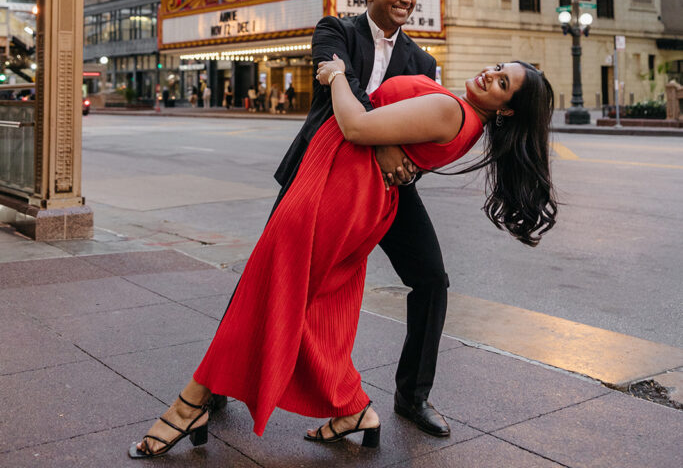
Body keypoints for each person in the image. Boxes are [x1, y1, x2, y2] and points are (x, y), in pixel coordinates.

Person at [129, 57, 556, 458]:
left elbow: (355, 126)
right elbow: (387, 134)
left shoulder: (453, 114)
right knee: (317, 307)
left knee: (270, 295)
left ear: (507, 111)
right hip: (350, 190)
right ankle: (351, 408)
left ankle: (189, 405)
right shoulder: (463, 116)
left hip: (339, 193)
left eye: (502, 83)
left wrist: (335, 75)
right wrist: (385, 142)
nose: (490, 75)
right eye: (499, 68)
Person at [273, 0, 447, 436]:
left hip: (386, 186)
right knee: (270, 277)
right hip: (318, 176)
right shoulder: (334, 32)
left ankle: (413, 398)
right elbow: (342, 87)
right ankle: (218, 387)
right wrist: (387, 142)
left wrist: (401, 158)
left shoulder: (423, 61)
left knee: (432, 279)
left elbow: (428, 131)